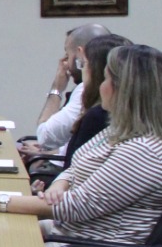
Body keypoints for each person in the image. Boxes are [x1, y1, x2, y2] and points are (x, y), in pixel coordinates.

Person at [0, 44, 162, 247]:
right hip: (75, 235)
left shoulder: (144, 150)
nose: (100, 85)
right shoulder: (118, 130)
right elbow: (76, 166)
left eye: (106, 78)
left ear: (123, 90)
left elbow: (76, 206)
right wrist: (61, 183)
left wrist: (1, 201)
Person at [29, 34, 131, 184]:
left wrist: (56, 89)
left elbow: (47, 138)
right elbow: (83, 157)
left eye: (83, 63)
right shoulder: (104, 112)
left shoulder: (97, 114)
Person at [20, 23, 110, 159]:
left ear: (80, 55)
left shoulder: (85, 90)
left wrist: (56, 89)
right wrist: (48, 152)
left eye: (67, 55)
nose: (65, 63)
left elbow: (46, 137)